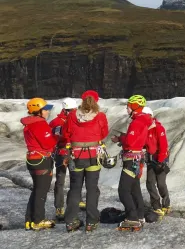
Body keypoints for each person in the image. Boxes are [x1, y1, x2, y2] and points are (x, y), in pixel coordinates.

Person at [63, 90, 108, 232]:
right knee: (92, 189)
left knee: (75, 189)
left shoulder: (72, 115)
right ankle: (91, 221)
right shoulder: (100, 116)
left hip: (76, 156)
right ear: (96, 101)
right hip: (93, 156)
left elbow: (65, 133)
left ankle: (71, 221)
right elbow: (104, 133)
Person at [111, 95, 152, 231]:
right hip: (137, 158)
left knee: (123, 190)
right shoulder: (143, 120)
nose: (127, 108)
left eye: (128, 105)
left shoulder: (137, 122)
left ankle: (132, 217)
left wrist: (121, 139)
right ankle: (139, 215)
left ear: (134, 106)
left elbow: (130, 142)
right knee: (135, 189)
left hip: (131, 159)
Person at [22, 98, 57, 231]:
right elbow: (48, 144)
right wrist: (56, 136)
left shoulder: (29, 124)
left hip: (32, 159)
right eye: (45, 109)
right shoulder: (39, 124)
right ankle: (38, 220)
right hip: (42, 160)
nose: (48, 112)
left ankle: (29, 219)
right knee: (41, 190)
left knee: (37, 189)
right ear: (38, 111)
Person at [49, 97, 86, 221]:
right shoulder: (56, 122)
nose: (73, 112)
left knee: (77, 177)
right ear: (64, 110)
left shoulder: (78, 119)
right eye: (70, 110)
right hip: (62, 152)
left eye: (74, 110)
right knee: (60, 179)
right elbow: (53, 138)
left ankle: (78, 199)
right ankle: (59, 206)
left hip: (75, 151)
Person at [142, 107, 171, 216]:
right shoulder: (144, 128)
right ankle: (156, 206)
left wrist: (160, 161)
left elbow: (163, 146)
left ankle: (166, 204)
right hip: (150, 158)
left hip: (160, 158)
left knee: (161, 183)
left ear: (149, 116)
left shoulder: (158, 128)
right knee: (150, 182)